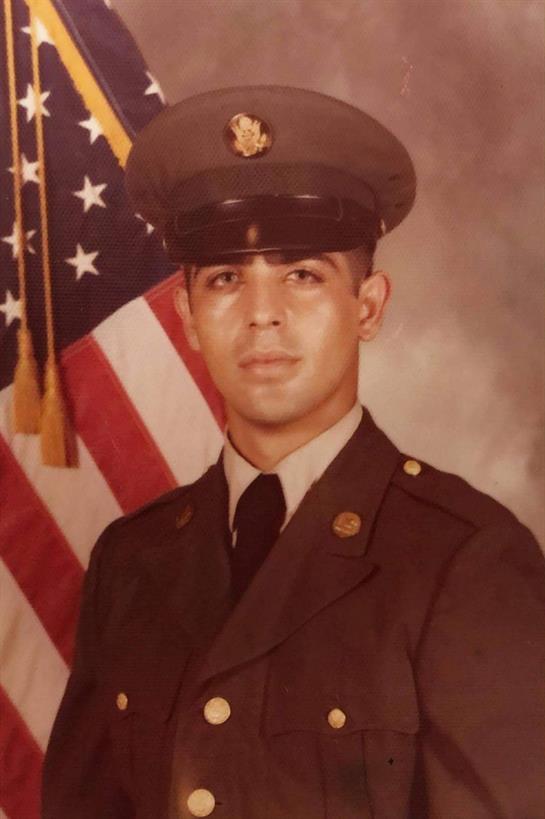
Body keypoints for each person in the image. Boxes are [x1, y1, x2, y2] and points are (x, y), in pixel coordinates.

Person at [42, 86, 545, 819]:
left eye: (302, 275)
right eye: (225, 279)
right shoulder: (130, 562)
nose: (261, 314)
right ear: (187, 316)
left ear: (367, 306)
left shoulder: (464, 560)